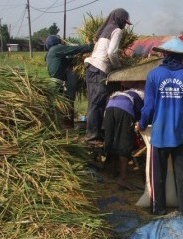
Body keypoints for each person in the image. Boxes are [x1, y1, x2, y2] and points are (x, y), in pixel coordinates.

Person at [136, 37, 183, 217]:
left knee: (158, 176)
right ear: (182, 56)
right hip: (181, 134)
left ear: (165, 54)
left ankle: (159, 209)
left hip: (159, 133)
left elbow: (148, 106)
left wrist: (141, 124)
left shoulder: (154, 75)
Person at [84, 8, 132, 144]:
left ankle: (96, 133)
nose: (125, 25)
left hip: (92, 67)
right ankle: (92, 136)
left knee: (95, 102)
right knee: (96, 102)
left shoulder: (104, 30)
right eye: (124, 22)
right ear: (119, 19)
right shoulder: (116, 30)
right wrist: (118, 68)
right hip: (99, 68)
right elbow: (112, 52)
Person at [45, 35, 93, 128]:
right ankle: (66, 126)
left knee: (61, 105)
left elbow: (67, 62)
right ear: (56, 42)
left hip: (55, 83)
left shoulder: (50, 54)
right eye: (60, 41)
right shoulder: (56, 49)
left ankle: (65, 126)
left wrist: (78, 58)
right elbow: (74, 49)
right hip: (56, 83)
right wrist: (90, 46)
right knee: (65, 104)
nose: (62, 43)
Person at [103, 81, 144, 190]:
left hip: (110, 106)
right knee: (124, 142)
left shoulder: (126, 92)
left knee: (111, 138)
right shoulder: (144, 96)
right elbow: (143, 116)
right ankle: (123, 178)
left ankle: (111, 171)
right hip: (124, 108)